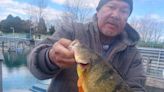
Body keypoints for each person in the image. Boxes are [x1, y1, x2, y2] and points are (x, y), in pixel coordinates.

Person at [27, 0, 146, 92]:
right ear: (98, 11)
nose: (115, 15)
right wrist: (50, 57)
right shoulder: (72, 30)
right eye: (111, 7)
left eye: (124, 11)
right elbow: (34, 64)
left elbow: (137, 87)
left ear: (127, 18)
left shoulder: (133, 55)